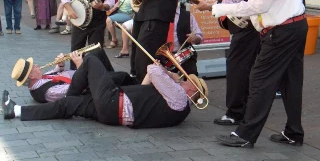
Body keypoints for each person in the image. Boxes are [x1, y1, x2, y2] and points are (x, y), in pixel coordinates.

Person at [198, 0, 307, 148]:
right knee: (290, 82)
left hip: (282, 31)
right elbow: (267, 3)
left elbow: (260, 5)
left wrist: (222, 8)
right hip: (293, 26)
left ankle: (246, 135)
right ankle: (294, 132)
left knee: (260, 80)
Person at [3, 54, 208, 129]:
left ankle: (75, 95)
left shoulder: (180, 97)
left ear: (192, 90)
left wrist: (169, 75)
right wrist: (159, 72)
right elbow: (145, 88)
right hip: (113, 111)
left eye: (187, 81)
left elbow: (153, 71)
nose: (183, 80)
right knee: (67, 105)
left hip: (113, 102)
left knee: (91, 60)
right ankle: (17, 110)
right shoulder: (177, 104)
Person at [195, 0, 260, 126]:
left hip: (246, 24)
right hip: (248, 24)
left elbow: (235, 2)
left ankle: (236, 113)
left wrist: (210, 7)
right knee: (243, 67)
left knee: (237, 67)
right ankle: (245, 110)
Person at [11, 49, 135, 103]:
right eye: (34, 66)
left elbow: (55, 73)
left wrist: (60, 64)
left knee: (98, 53)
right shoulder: (47, 92)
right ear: (31, 75)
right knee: (123, 75)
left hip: (81, 73)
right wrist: (81, 65)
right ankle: (134, 87)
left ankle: (110, 82)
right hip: (87, 84)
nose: (37, 65)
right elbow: (76, 88)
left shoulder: (40, 79)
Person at [124, 0, 180, 83]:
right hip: (142, 16)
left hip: (156, 17)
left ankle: (146, 90)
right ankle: (138, 85)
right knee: (137, 57)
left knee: (145, 58)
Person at [61, 0, 115, 70]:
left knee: (95, 52)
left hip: (97, 22)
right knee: (76, 50)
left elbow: (111, 0)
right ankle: (74, 76)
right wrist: (69, 9)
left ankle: (93, 77)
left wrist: (103, 6)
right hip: (79, 21)